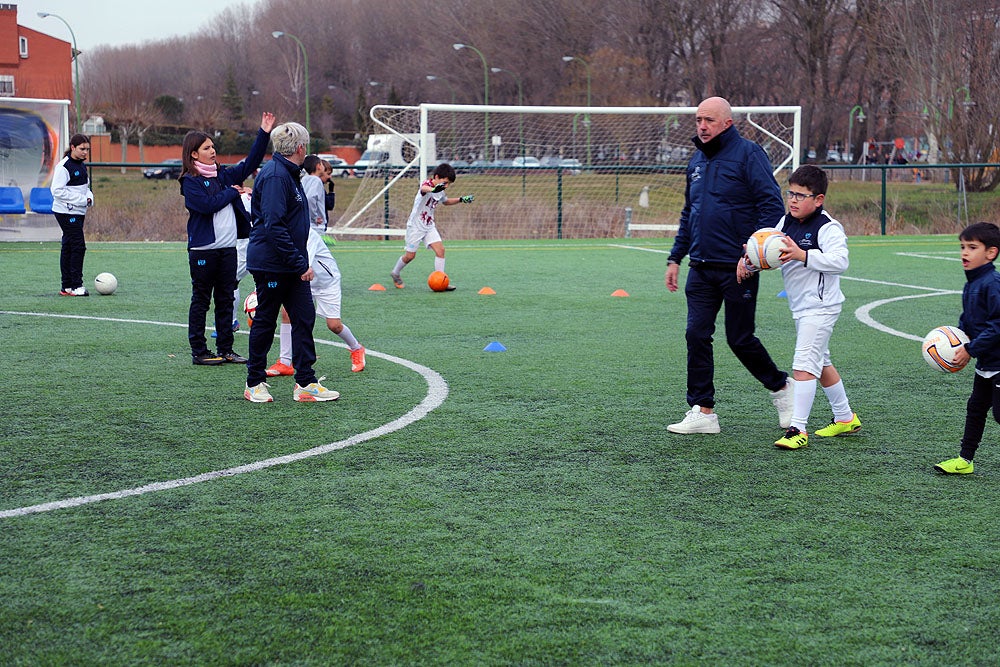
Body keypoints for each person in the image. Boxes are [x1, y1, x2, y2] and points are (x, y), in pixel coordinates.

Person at [664, 96, 792, 434]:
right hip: (701, 266)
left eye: (708, 120)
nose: (702, 126)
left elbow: (770, 207)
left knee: (740, 338)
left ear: (727, 123)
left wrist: (750, 255)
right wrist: (676, 257)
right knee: (696, 334)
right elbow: (688, 213)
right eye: (698, 120)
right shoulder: (695, 161)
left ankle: (781, 388)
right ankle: (703, 410)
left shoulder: (749, 154)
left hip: (739, 267)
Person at [737, 165, 861, 450]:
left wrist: (802, 254)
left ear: (818, 200)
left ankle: (798, 429)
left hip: (821, 307)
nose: (793, 200)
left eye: (801, 195)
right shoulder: (785, 222)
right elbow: (771, 254)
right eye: (790, 193)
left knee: (804, 365)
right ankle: (845, 417)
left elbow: (840, 261)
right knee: (821, 362)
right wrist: (749, 260)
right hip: (801, 307)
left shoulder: (828, 227)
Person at [244, 121, 339, 403]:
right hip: (274, 264)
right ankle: (254, 383)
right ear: (300, 148)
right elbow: (274, 226)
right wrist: (300, 263)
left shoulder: (289, 173)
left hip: (289, 263)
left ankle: (306, 383)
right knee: (265, 321)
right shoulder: (276, 176)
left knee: (304, 316)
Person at [180, 111, 274, 366]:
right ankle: (199, 351)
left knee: (225, 299)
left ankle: (226, 349)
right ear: (193, 154)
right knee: (201, 300)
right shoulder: (189, 182)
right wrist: (232, 194)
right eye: (207, 147)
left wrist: (263, 132)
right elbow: (207, 205)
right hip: (202, 251)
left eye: (213, 146)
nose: (213, 151)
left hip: (227, 250)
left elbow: (251, 162)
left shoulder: (223, 176)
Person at [265, 155, 366, 378]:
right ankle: (284, 362)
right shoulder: (284, 232)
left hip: (325, 280)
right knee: (286, 313)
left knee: (334, 325)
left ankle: (357, 348)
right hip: (305, 280)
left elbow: (303, 265)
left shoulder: (306, 233)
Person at [934, 222, 1000, 474]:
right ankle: (965, 460)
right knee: (975, 409)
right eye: (962, 247)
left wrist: (971, 348)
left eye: (972, 247)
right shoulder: (972, 283)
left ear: (990, 253)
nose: (964, 253)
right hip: (986, 363)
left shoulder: (992, 283)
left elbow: (997, 324)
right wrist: (958, 341)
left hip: (998, 362)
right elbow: (970, 319)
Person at [389, 163, 474, 290]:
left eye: (449, 184)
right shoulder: (428, 185)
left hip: (429, 226)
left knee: (441, 251)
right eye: (445, 182)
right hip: (415, 227)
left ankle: (442, 281)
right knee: (410, 256)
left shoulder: (441, 190)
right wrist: (433, 189)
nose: (447, 186)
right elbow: (423, 189)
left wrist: (461, 199)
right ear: (437, 177)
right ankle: (395, 273)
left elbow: (445, 202)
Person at [51, 134, 94, 296]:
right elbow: (56, 191)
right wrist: (81, 200)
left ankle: (66, 287)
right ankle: (76, 286)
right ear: (73, 147)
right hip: (65, 212)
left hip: (78, 211)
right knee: (78, 246)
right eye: (82, 149)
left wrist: (89, 197)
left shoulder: (82, 165)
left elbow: (85, 188)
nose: (85, 152)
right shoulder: (64, 166)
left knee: (68, 246)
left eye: (87, 149)